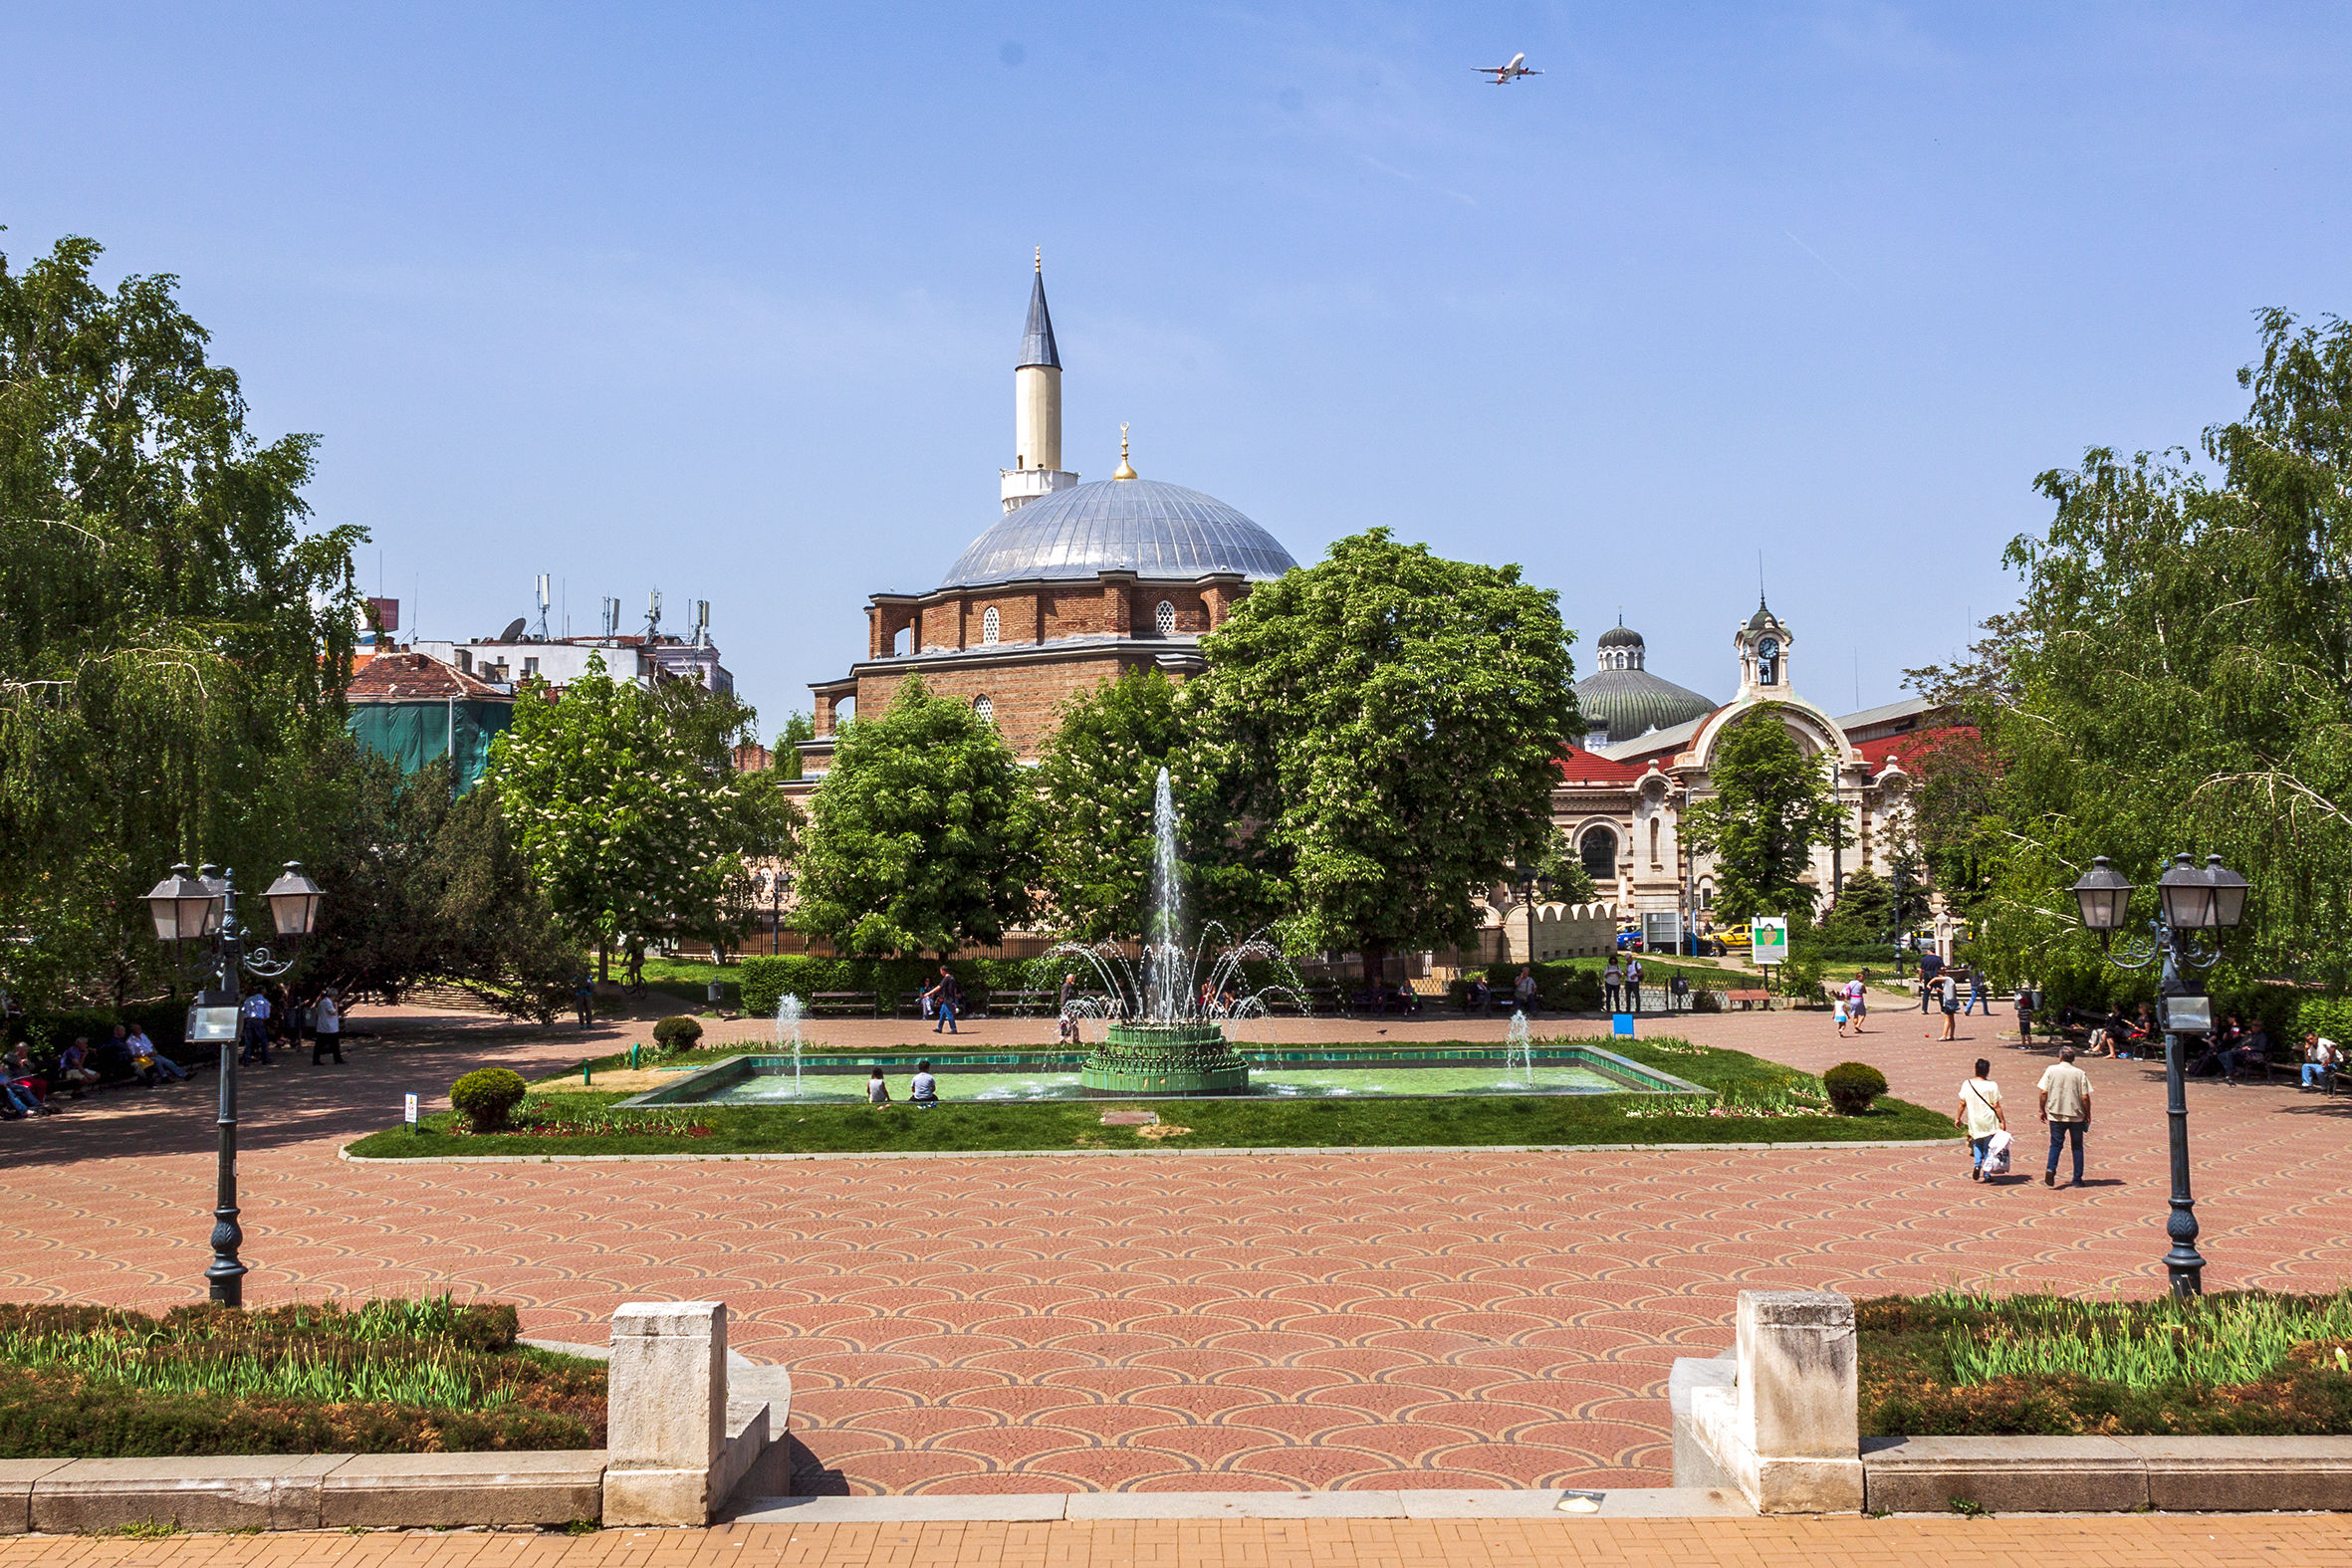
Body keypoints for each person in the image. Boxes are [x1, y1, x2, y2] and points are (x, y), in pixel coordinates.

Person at [2037, 1046, 2093, 1189]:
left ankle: (2051, 1168)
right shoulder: (2080, 1073)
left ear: (2061, 1057)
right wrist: (2088, 1113)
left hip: (2056, 1113)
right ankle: (2077, 1179)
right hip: (2076, 1115)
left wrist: (2042, 1109)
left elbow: (2044, 1092)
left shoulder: (2051, 1070)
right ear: (2073, 1059)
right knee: (2077, 1147)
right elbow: (2085, 1097)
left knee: (2056, 1144)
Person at [1955, 1058, 2007, 1181]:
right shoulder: (1992, 1085)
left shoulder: (1967, 1084)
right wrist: (2002, 1121)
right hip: (1989, 1119)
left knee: (1977, 1142)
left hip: (1974, 1119)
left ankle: (1977, 1164)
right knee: (1989, 1146)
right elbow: (1996, 1106)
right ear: (1987, 1071)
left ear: (1975, 1069)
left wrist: (1958, 1117)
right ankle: (1987, 1172)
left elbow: (1962, 1103)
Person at [312, 990, 345, 1064]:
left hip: (325, 1026)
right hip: (328, 1027)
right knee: (333, 1044)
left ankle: (317, 1059)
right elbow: (333, 1012)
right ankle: (337, 1059)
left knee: (320, 1044)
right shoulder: (327, 1003)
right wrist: (336, 1006)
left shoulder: (323, 1002)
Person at [239, 991, 272, 1065]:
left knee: (248, 1041)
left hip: (249, 1020)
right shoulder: (264, 1001)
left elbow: (243, 1010)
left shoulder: (249, 1000)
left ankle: (246, 1060)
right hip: (258, 1021)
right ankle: (265, 1059)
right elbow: (266, 1015)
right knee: (263, 1040)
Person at [928, 966, 962, 1034]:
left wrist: (929, 992)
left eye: (941, 971)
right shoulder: (952, 978)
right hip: (949, 998)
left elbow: (939, 987)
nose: (941, 973)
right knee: (942, 1013)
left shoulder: (946, 978)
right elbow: (954, 989)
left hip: (947, 999)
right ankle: (939, 1028)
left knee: (949, 1013)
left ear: (943, 971)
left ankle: (953, 1029)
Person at [1917, 948, 1944, 1013]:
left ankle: (1924, 1009)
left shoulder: (1924, 959)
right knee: (1939, 992)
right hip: (1936, 976)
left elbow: (1920, 970)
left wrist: (1920, 978)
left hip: (1927, 976)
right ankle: (1943, 1009)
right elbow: (1942, 968)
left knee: (1926, 993)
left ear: (1929, 951)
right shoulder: (1938, 958)